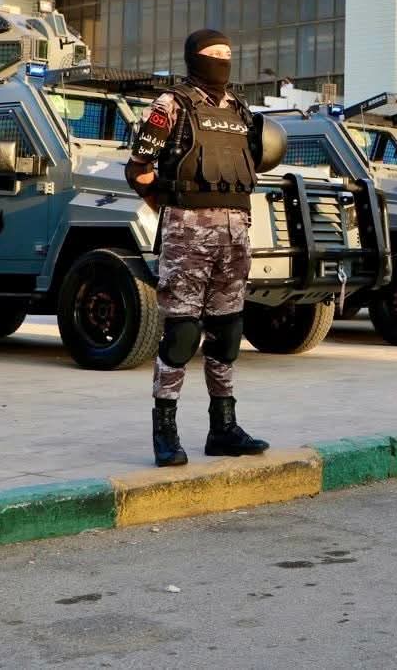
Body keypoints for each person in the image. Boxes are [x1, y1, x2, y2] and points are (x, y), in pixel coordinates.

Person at [126, 28, 280, 467]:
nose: (222, 59)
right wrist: (172, 205)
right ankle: (165, 431)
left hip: (236, 234)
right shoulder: (170, 105)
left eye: (228, 53)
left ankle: (223, 428)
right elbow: (138, 169)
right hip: (187, 234)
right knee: (182, 334)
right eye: (214, 53)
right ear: (195, 57)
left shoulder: (240, 109)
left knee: (228, 331)